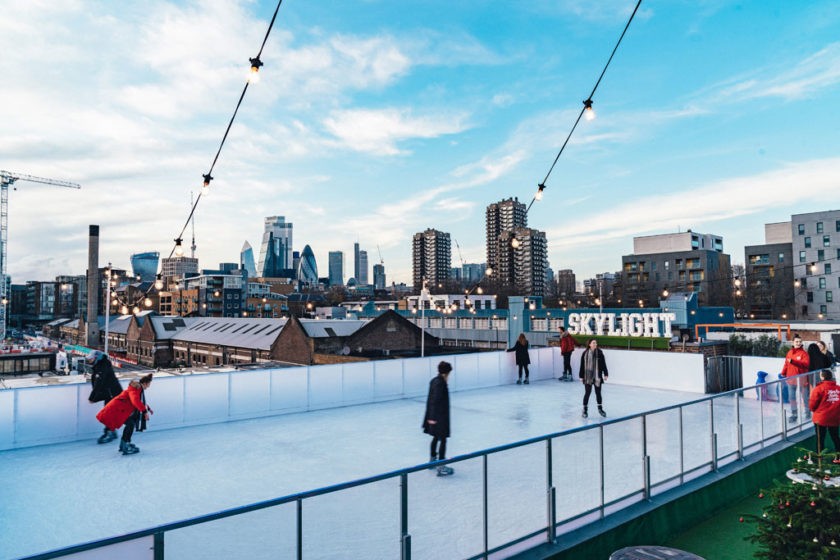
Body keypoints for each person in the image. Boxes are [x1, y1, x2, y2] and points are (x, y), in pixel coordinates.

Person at [96, 373, 154, 455]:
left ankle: (124, 444)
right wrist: (144, 412)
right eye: (148, 384)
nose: (148, 387)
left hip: (119, 410)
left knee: (130, 424)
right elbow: (135, 401)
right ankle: (125, 445)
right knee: (130, 424)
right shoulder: (135, 389)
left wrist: (148, 408)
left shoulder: (136, 389)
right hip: (116, 410)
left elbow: (139, 401)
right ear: (145, 383)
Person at [423, 361, 453, 476]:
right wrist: (432, 417)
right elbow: (434, 401)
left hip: (435, 416)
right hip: (439, 417)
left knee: (436, 437)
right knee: (443, 439)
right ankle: (441, 465)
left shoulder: (435, 381)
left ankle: (432, 460)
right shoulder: (440, 383)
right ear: (446, 372)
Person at [87, 351, 124, 444]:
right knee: (108, 413)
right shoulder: (101, 365)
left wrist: (92, 397)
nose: (89, 361)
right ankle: (111, 431)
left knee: (108, 413)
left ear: (96, 358)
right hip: (110, 392)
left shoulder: (102, 366)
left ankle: (110, 432)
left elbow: (99, 382)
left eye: (91, 359)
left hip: (113, 393)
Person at [808, 369, 840, 462]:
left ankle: (819, 458)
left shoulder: (819, 388)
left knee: (820, 439)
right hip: (835, 417)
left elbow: (812, 404)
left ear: (822, 377)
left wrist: (815, 411)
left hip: (821, 418)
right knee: (835, 437)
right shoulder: (838, 388)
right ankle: (838, 456)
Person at [781, 334, 810, 422]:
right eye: (796, 342)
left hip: (802, 379)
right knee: (792, 397)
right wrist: (783, 373)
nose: (798, 343)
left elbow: (806, 364)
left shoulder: (804, 353)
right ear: (793, 343)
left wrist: (793, 361)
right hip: (791, 379)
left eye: (800, 342)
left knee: (805, 397)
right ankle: (794, 414)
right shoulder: (789, 352)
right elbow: (786, 364)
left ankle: (808, 413)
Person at [579, 338, 608, 418]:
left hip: (597, 376)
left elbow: (603, 364)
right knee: (587, 393)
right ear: (589, 344)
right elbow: (582, 365)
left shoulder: (600, 352)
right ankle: (585, 410)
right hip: (587, 376)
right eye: (593, 343)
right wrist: (581, 376)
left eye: (596, 343)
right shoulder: (585, 353)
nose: (595, 344)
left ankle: (600, 409)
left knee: (598, 393)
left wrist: (605, 373)